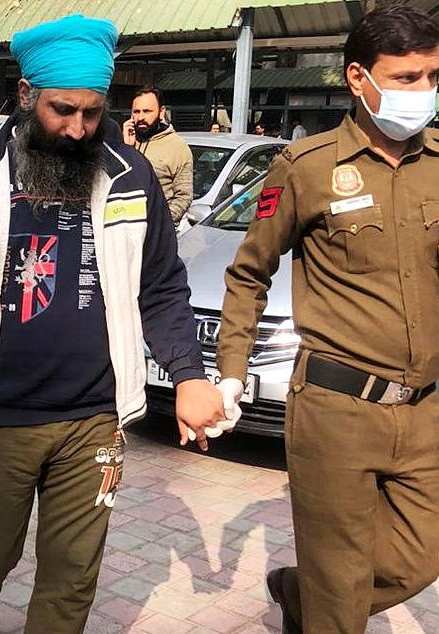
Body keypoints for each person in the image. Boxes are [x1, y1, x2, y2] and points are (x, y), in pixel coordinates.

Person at [0, 15, 226, 634]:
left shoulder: (129, 175)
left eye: (92, 112)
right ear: (26, 94)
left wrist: (189, 374)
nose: (78, 129)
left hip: (93, 418)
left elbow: (161, 285)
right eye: (62, 110)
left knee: (72, 580)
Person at [216, 6, 439, 634]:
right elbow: (248, 272)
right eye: (405, 78)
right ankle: (322, 603)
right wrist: (232, 373)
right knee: (340, 594)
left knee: (421, 556)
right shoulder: (305, 167)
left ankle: (300, 593)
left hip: (425, 410)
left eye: (431, 76)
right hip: (337, 410)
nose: (422, 92)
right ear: (358, 78)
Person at [122, 87, 193, 228]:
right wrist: (126, 149)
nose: (141, 117)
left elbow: (184, 196)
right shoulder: (126, 142)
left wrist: (161, 226)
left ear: (161, 112)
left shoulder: (177, 147)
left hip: (157, 234)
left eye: (147, 111)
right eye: (136, 112)